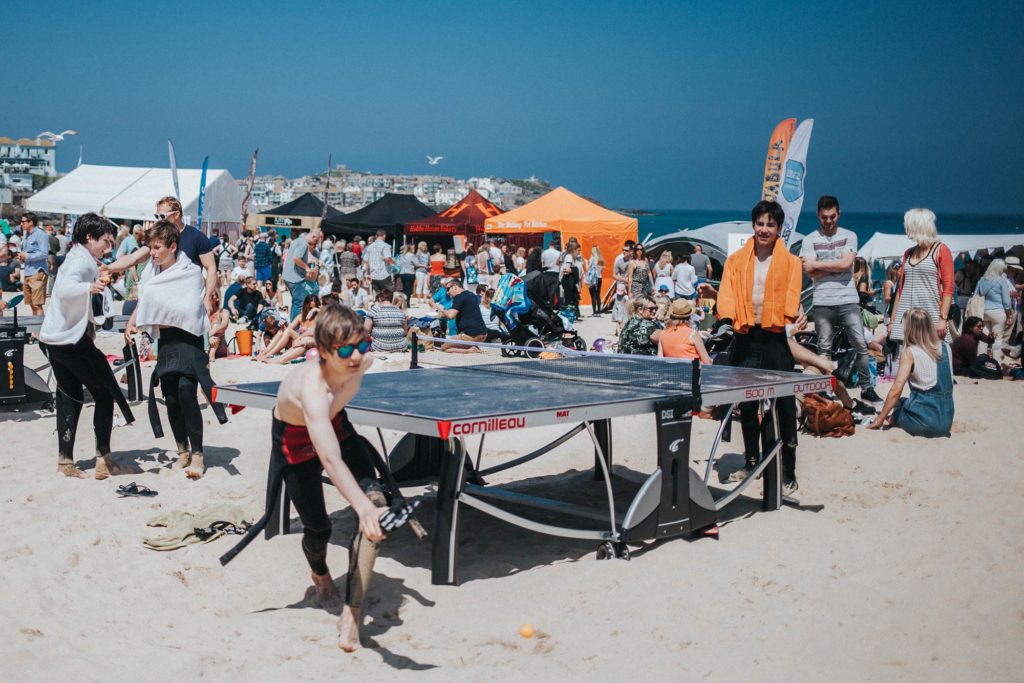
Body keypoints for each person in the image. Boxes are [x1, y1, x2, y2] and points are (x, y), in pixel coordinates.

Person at [232, 303, 387, 651]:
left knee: (376, 502)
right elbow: (329, 458)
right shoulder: (312, 388)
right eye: (345, 350)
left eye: (361, 346)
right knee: (319, 528)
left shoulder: (363, 361)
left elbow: (336, 445)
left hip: (337, 425)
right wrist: (358, 507)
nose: (355, 358)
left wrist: (367, 506)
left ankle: (352, 611)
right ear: (322, 352)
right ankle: (320, 574)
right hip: (294, 437)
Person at [126, 220, 226, 479]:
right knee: (170, 397)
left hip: (190, 340)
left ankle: (198, 454)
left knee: (186, 392)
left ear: (172, 247)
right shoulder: (151, 274)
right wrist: (135, 321)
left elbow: (189, 311)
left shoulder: (191, 272)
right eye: (150, 247)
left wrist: (161, 314)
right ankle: (182, 449)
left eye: (158, 247)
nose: (153, 252)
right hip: (167, 340)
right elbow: (148, 304)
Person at [38, 213, 134, 479]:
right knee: (105, 394)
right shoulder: (79, 261)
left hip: (54, 340)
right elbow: (64, 289)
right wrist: (91, 286)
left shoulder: (80, 257)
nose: (109, 247)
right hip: (70, 341)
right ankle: (104, 460)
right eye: (105, 241)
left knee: (70, 397)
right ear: (89, 238)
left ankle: (65, 463)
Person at [717, 200, 803, 496]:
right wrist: (727, 318)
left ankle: (788, 470)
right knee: (748, 403)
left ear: (779, 229)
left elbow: (792, 294)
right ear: (753, 225)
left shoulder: (791, 262)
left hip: (774, 337)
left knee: (785, 404)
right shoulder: (736, 260)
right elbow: (726, 291)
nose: (764, 229)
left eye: (770, 224)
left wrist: (790, 316)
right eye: (760, 223)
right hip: (745, 334)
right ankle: (751, 461)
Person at [801, 196, 882, 405]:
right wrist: (837, 265)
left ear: (839, 214)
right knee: (824, 348)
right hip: (822, 300)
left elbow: (847, 264)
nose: (829, 221)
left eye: (833, 216)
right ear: (818, 215)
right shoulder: (809, 239)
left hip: (848, 299)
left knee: (860, 344)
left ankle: (867, 388)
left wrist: (820, 265)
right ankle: (825, 389)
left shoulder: (849, 235)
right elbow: (809, 270)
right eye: (825, 217)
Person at [103, 196, 219, 314]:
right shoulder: (157, 236)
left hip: (188, 300)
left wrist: (207, 297)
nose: (159, 220)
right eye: (156, 216)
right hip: (162, 299)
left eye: (162, 216)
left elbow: (211, 267)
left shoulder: (196, 237)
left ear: (177, 214)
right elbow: (134, 258)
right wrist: (108, 268)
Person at [869, 308, 954, 436]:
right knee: (903, 401)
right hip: (946, 418)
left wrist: (879, 419)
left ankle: (893, 418)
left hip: (925, 421)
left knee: (895, 411)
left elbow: (896, 390)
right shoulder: (946, 347)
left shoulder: (911, 352)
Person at [888, 208, 955, 350]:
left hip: (930, 313)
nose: (905, 228)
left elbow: (948, 289)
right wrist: (893, 320)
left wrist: (943, 318)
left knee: (931, 356)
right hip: (906, 315)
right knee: (908, 357)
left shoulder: (941, 250)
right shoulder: (909, 253)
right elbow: (901, 289)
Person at [974, 259, 1015, 365]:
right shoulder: (1001, 281)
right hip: (998, 312)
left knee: (983, 338)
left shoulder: (982, 279)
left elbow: (975, 295)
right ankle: (996, 363)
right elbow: (1006, 301)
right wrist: (1009, 315)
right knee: (997, 340)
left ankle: (980, 362)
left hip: (983, 312)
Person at [433, 278, 488, 353]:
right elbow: (456, 313)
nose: (447, 292)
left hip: (470, 336)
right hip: (483, 334)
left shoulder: (459, 297)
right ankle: (470, 346)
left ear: (455, 286)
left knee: (444, 348)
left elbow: (451, 316)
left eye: (448, 289)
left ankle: (470, 350)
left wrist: (441, 308)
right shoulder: (470, 294)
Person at [282, 229, 322, 323]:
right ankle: (295, 327)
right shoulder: (304, 244)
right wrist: (307, 268)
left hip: (288, 277)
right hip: (295, 278)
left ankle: (292, 324)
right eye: (316, 241)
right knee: (299, 304)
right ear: (313, 237)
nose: (315, 244)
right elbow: (296, 258)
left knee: (295, 303)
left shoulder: (297, 240)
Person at [658, 298, 711, 363]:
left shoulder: (663, 333)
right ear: (689, 316)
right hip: (693, 371)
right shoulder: (692, 334)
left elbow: (659, 360)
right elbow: (707, 362)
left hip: (671, 371)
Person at [17, 212, 49, 316]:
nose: (21, 224)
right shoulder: (27, 235)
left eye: (23, 221)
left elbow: (44, 253)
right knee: (31, 304)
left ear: (31, 222)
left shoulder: (41, 234)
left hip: (37, 272)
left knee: (37, 304)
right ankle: (35, 330)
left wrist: (27, 256)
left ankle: (39, 331)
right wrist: (22, 257)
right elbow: (29, 252)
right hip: (28, 271)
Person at [364, 288, 408, 353]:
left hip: (379, 347)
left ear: (380, 298)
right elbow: (405, 332)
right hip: (401, 346)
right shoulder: (400, 312)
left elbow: (366, 330)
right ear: (391, 299)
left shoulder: (374, 310)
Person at [364, 229, 395, 293]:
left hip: (373, 275)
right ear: (384, 236)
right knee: (388, 295)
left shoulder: (369, 247)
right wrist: (394, 262)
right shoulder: (385, 246)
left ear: (376, 236)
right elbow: (387, 259)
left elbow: (365, 261)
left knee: (378, 296)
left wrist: (368, 274)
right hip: (384, 275)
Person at [207, 289, 231, 361]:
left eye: (213, 295)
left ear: (217, 298)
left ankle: (211, 355)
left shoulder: (223, 312)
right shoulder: (204, 312)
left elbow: (224, 325)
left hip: (219, 346)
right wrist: (207, 338)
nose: (210, 296)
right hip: (205, 343)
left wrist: (209, 335)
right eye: (209, 295)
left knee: (216, 328)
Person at [584, 246, 605, 316]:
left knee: (592, 295)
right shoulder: (601, 259)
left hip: (593, 279)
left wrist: (586, 262)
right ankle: (599, 311)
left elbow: (587, 269)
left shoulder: (592, 258)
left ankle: (594, 312)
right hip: (599, 278)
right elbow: (602, 270)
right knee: (598, 294)